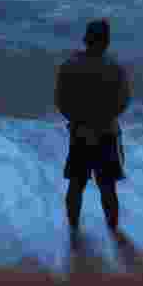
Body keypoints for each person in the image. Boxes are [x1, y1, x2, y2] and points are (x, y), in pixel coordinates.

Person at [55, 18, 131, 236]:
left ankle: (73, 232)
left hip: (80, 132)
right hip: (106, 131)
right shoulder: (115, 68)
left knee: (76, 184)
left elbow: (61, 101)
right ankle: (114, 232)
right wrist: (103, 118)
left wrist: (77, 118)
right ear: (106, 41)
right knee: (107, 186)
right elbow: (122, 102)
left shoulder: (69, 65)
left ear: (86, 39)